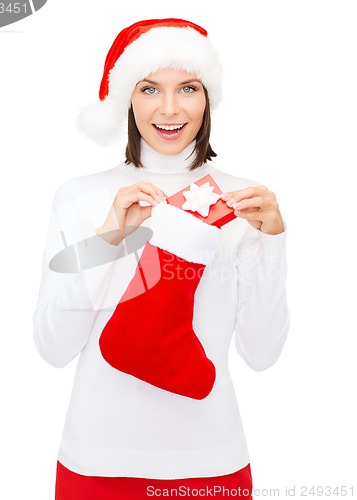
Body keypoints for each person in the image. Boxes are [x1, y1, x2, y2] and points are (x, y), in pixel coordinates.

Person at [32, 18, 289, 500]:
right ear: (126, 97)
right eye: (150, 88)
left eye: (187, 87)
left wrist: (272, 244)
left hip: (212, 462)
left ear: (207, 95)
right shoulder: (80, 197)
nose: (170, 109)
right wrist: (109, 238)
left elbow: (262, 353)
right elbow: (52, 347)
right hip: (95, 461)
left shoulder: (242, 201)